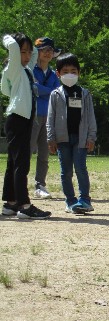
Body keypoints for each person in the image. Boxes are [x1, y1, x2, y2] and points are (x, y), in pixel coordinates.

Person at [1, 33, 51, 219]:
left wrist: (33, 47)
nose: (28, 56)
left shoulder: (26, 70)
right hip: (17, 119)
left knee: (14, 162)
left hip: (25, 119)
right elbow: (13, 47)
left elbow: (36, 54)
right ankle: (24, 204)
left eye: (29, 52)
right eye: (23, 52)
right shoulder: (13, 68)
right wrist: (9, 37)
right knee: (21, 163)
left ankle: (11, 203)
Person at [46, 53, 97, 215]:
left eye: (73, 71)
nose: (70, 74)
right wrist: (50, 138)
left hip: (80, 139)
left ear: (79, 73)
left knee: (81, 168)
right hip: (62, 139)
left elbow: (90, 117)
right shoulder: (55, 95)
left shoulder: (85, 94)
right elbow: (50, 118)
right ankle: (70, 201)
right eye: (65, 71)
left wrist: (91, 137)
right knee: (66, 171)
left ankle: (85, 200)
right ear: (58, 73)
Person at [31, 37, 61, 199]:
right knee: (27, 151)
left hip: (48, 116)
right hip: (32, 114)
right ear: (37, 52)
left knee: (44, 153)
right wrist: (48, 90)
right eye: (44, 50)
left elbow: (57, 92)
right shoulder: (30, 70)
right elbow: (33, 88)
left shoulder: (52, 73)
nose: (48, 53)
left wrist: (43, 90)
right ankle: (19, 183)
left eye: (50, 50)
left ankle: (40, 184)